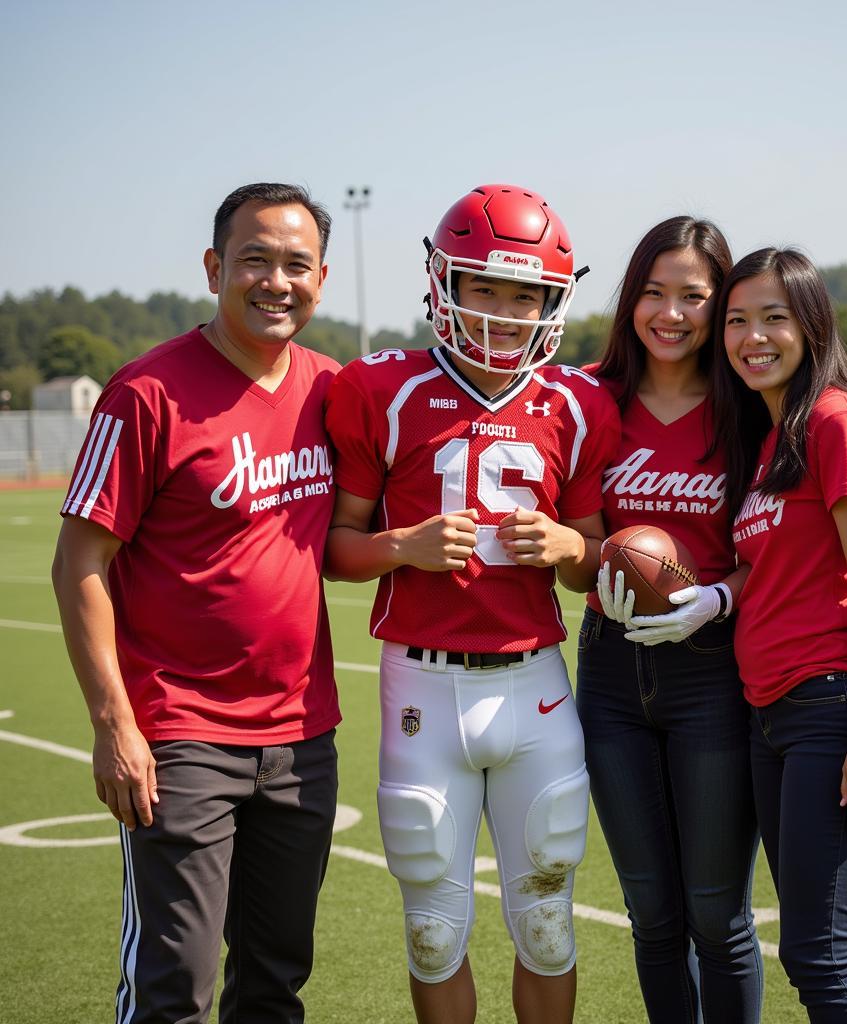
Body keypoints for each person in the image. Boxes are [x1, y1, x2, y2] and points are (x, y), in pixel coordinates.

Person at [575, 218, 847, 1023]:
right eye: (653, 292)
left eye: (696, 296)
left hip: (724, 670)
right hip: (618, 666)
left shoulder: (757, 410)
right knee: (653, 915)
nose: (672, 313)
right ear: (628, 302)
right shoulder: (587, 395)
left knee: (722, 915)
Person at [322, 183, 620, 1024]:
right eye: (483, 286)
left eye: (524, 293)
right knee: (431, 927)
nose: (502, 311)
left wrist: (570, 548)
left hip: (535, 683)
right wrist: (399, 547)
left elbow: (589, 567)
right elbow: (336, 549)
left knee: (548, 924)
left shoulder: (575, 401)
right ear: (442, 285)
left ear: (552, 302)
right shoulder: (381, 388)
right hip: (422, 684)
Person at [51, 182, 342, 1024]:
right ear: (215, 267)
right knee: (175, 986)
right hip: (180, 736)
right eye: (254, 260)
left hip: (301, 736)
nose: (275, 281)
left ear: (322, 279)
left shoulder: (332, 391)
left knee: (275, 981)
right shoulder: (145, 394)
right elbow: (80, 560)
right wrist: (115, 726)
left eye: (297, 264)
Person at [711, 247, 847, 1023]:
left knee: (817, 950)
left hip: (838, 710)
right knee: (827, 942)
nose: (752, 336)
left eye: (774, 317)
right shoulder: (768, 440)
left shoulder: (832, 418)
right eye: (736, 321)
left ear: (812, 324)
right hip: (775, 714)